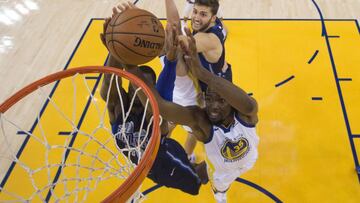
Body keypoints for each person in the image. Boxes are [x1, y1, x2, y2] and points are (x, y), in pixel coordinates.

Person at [123, 26, 259, 203]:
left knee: (220, 171)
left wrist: (202, 73)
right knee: (218, 184)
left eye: (220, 101)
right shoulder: (201, 121)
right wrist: (130, 66)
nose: (212, 106)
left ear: (232, 103)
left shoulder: (245, 114)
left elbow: (249, 105)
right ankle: (219, 193)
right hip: (220, 172)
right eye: (208, 99)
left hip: (250, 160)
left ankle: (213, 182)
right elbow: (160, 106)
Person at [99, 3, 207, 195]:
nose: (142, 88)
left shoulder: (154, 115)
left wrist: (171, 62)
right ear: (131, 87)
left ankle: (199, 168)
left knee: (196, 182)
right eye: (139, 84)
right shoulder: (120, 108)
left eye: (148, 86)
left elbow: (160, 99)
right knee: (196, 183)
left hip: (166, 156)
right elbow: (110, 84)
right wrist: (114, 46)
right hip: (157, 168)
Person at [162, 0, 231, 162]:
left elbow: (182, 43)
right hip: (205, 85)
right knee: (186, 125)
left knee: (195, 129)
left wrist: (152, 36)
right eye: (195, 12)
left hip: (212, 97)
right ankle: (181, 153)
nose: (196, 18)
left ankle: (185, 157)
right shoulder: (215, 26)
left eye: (203, 14)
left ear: (213, 18)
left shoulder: (206, 38)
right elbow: (174, 26)